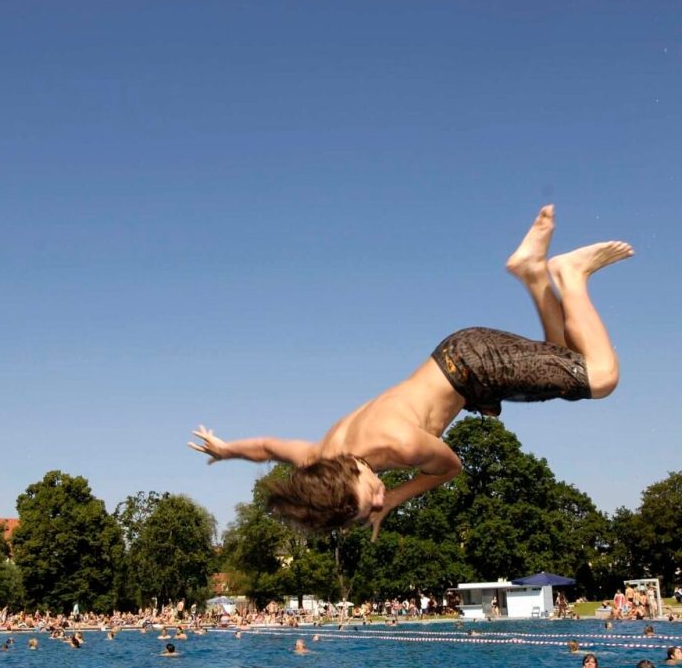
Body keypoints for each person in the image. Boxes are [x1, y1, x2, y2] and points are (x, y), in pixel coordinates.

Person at [190, 206, 634, 537]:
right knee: (564, 357)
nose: (378, 500)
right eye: (372, 509)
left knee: (600, 377)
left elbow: (450, 468)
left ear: (350, 479)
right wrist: (227, 450)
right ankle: (533, 272)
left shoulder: (398, 445)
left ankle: (569, 272)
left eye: (371, 501)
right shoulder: (321, 457)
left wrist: (396, 500)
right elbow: (267, 447)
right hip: (462, 364)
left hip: (476, 366)